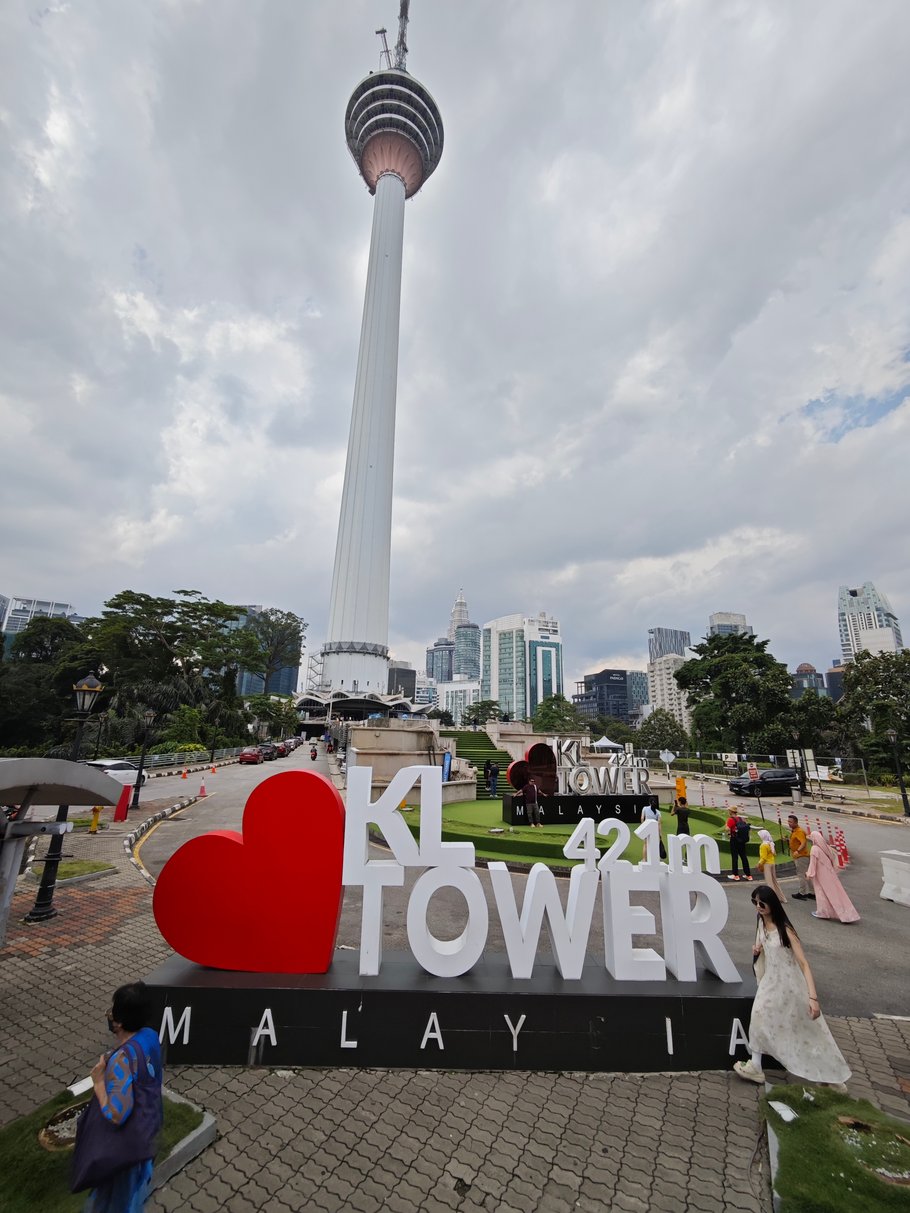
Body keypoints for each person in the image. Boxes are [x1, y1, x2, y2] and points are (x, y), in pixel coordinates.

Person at [733, 886, 849, 1089]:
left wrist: (813, 997)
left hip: (791, 985)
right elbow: (762, 944)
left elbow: (804, 963)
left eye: (762, 903)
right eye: (754, 902)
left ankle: (832, 1076)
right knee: (759, 1016)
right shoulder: (761, 922)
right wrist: (758, 949)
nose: (758, 907)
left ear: (772, 905)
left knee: (808, 1030)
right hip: (770, 981)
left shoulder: (785, 929)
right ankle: (756, 1066)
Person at [84, 981, 163, 1212]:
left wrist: (99, 1082)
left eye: (112, 1011)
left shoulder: (122, 1062)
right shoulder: (150, 1036)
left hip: (126, 1151)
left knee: (119, 1204)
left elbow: (116, 1115)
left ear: (118, 1022)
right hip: (148, 1131)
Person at [807, 831, 860, 923]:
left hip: (821, 875)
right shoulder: (825, 848)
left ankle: (823, 912)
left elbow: (813, 864)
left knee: (821, 893)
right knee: (836, 893)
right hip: (830, 874)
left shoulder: (814, 849)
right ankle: (847, 914)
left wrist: (809, 874)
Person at [788, 814, 812, 900]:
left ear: (796, 823)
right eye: (788, 821)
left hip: (801, 856)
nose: (789, 823)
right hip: (801, 856)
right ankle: (811, 892)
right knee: (806, 875)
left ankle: (802, 893)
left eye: (790, 822)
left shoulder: (799, 831)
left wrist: (797, 851)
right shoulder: (795, 831)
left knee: (802, 875)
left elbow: (803, 843)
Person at [726, 811, 752, 881]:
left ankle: (735, 875)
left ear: (730, 812)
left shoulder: (730, 819)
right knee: (744, 857)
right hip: (742, 840)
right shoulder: (741, 818)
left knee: (735, 857)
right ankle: (748, 875)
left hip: (734, 840)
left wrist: (728, 831)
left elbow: (727, 829)